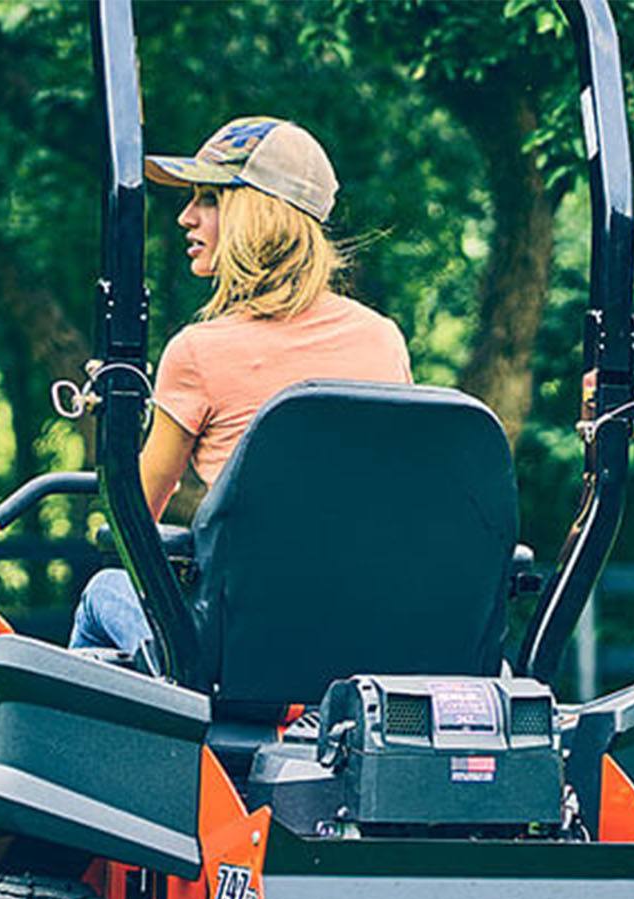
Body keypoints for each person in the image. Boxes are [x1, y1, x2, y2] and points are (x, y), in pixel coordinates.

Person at [69, 116, 412, 654]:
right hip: (372, 633)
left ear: (257, 214)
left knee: (103, 592)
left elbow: (135, 516)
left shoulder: (197, 353)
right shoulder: (384, 341)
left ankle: (105, 741)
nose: (185, 217)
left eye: (207, 199)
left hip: (245, 649)